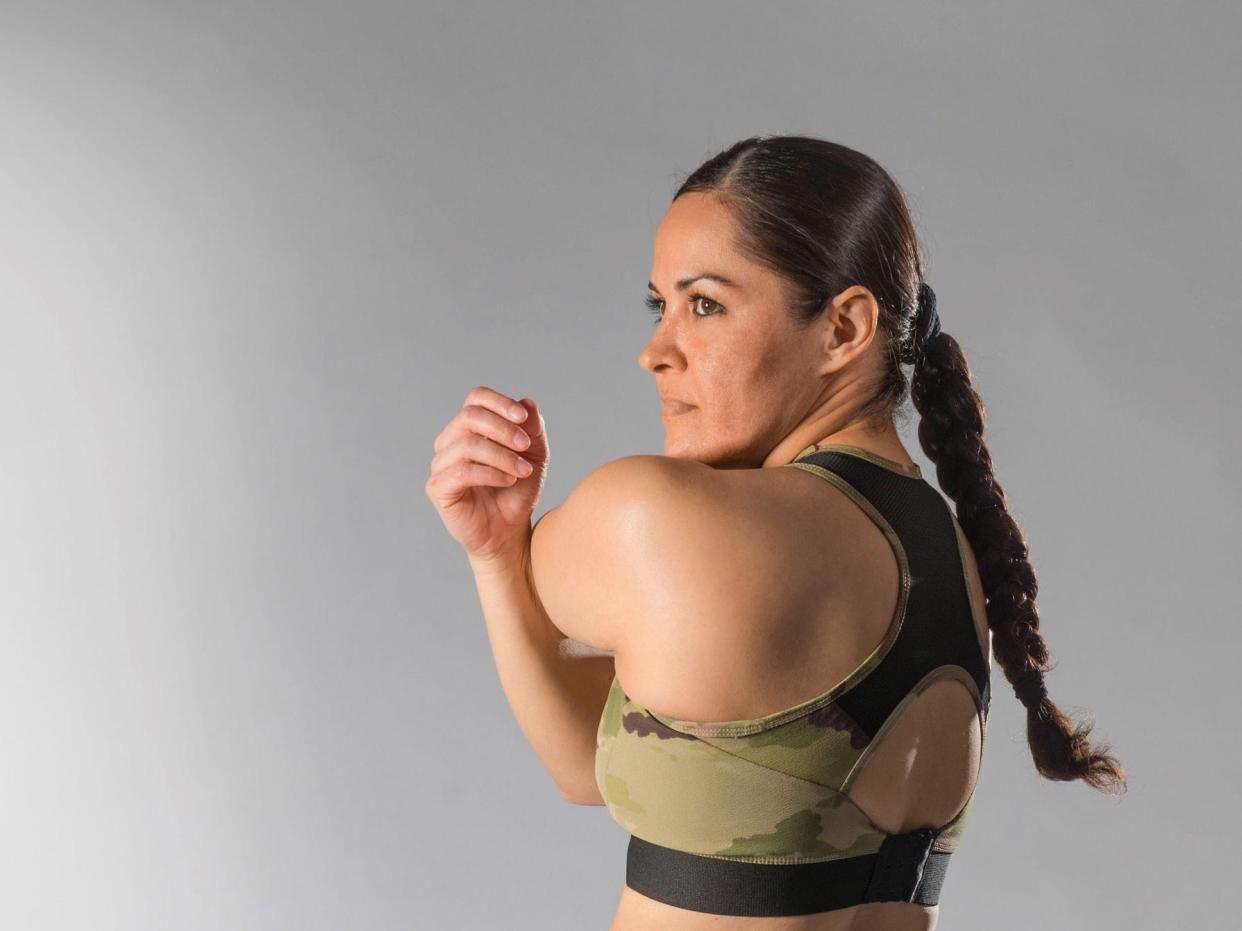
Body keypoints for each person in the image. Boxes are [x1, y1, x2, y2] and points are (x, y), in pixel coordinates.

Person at [426, 134, 1126, 930]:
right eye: (661, 305)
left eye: (705, 304)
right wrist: (495, 556)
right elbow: (586, 765)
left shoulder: (655, 518)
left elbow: (578, 722)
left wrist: (502, 540)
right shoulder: (950, 558)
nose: (655, 351)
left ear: (844, 328)